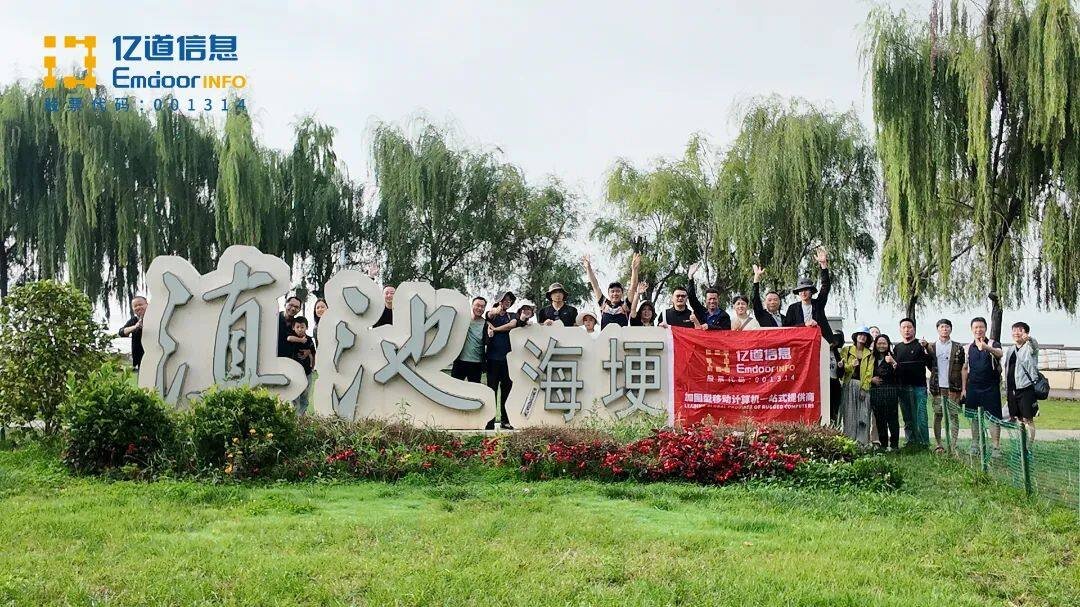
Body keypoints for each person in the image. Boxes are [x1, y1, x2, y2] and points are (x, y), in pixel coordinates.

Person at [962, 317, 1004, 456]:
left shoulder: (993, 343)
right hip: (973, 387)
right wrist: (963, 389)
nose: (978, 330)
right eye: (976, 327)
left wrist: (986, 347)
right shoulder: (968, 348)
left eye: (981, 327)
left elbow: (1000, 353)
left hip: (991, 387)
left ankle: (996, 448)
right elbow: (964, 368)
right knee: (974, 417)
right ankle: (975, 444)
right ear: (972, 329)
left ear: (985, 329)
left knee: (993, 418)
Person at [485, 291, 526, 430]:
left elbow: (512, 325)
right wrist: (497, 308)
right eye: (504, 300)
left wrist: (495, 330)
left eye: (509, 300)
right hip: (492, 358)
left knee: (507, 390)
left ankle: (505, 420)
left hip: (508, 359)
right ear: (499, 300)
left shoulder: (512, 315)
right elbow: (489, 314)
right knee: (491, 389)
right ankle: (489, 420)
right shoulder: (491, 315)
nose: (507, 302)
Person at [926, 318, 966, 454]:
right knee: (938, 415)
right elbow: (929, 365)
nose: (945, 329)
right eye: (942, 327)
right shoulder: (932, 346)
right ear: (938, 329)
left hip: (953, 387)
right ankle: (938, 444)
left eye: (947, 327)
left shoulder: (958, 347)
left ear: (951, 329)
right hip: (937, 387)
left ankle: (953, 444)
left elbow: (963, 368)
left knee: (953, 415)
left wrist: (963, 388)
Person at [893, 318, 931, 447]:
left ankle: (924, 442)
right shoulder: (897, 348)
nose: (906, 330)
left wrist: (927, 347)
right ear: (900, 330)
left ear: (914, 329)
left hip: (919, 387)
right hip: (903, 387)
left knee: (921, 416)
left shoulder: (921, 345)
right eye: (903, 327)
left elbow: (931, 362)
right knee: (907, 417)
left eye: (909, 327)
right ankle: (911, 442)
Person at [782, 248, 832, 340]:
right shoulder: (793, 308)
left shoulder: (818, 304)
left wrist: (823, 265)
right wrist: (804, 325)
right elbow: (788, 328)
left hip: (819, 339)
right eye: (801, 290)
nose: (803, 293)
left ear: (811, 291)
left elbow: (825, 286)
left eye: (806, 290)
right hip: (800, 341)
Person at [1003, 321, 1040, 445]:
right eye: (1014, 330)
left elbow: (1035, 346)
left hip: (1026, 389)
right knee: (1017, 418)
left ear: (1026, 333)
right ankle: (1020, 444)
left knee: (1028, 419)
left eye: (1020, 330)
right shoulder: (1010, 350)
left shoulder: (1029, 347)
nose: (1016, 333)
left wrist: (1029, 339)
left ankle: (1028, 447)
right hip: (1012, 390)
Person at [583, 253, 640, 328]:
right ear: (608, 294)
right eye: (612, 291)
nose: (615, 294)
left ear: (622, 293)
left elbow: (633, 287)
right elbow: (595, 286)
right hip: (604, 338)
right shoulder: (603, 303)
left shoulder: (625, 305)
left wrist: (634, 269)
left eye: (618, 291)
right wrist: (588, 268)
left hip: (621, 338)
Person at [840, 327, 874, 445]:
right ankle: (848, 442)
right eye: (860, 334)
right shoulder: (847, 350)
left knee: (863, 415)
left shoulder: (869, 354)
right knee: (849, 414)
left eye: (865, 335)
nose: (862, 337)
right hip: (849, 384)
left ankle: (862, 443)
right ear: (855, 336)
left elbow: (869, 372)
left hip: (862, 386)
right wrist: (852, 366)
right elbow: (843, 368)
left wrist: (864, 388)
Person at [869, 334, 900, 450]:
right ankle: (883, 444)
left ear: (888, 345)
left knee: (892, 419)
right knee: (879, 420)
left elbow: (899, 375)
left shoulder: (893, 357)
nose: (881, 346)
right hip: (876, 393)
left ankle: (894, 445)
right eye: (879, 343)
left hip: (890, 392)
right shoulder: (872, 358)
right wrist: (871, 380)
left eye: (884, 343)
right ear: (875, 345)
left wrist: (893, 363)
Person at [451, 296, 488, 384]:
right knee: (454, 388)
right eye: (477, 305)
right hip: (460, 361)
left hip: (476, 363)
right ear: (472, 306)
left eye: (482, 306)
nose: (480, 308)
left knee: (474, 392)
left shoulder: (486, 324)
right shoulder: (462, 320)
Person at [685, 262, 731, 330]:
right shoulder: (701, 311)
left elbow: (726, 332)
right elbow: (692, 298)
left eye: (714, 299)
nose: (712, 301)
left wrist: (710, 327)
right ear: (705, 300)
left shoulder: (724, 316)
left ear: (718, 300)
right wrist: (690, 278)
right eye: (709, 299)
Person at [285, 316, 316, 414]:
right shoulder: (292, 338)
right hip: (294, 373)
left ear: (307, 327)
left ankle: (302, 416)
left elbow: (313, 353)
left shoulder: (310, 340)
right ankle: (294, 415)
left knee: (305, 394)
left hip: (307, 371)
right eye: (297, 327)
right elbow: (289, 338)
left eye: (302, 327)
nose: (300, 329)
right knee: (294, 394)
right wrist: (301, 341)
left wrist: (312, 366)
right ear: (293, 328)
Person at [119, 295, 148, 371]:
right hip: (140, 359)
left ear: (147, 305)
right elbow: (122, 332)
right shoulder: (134, 320)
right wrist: (135, 327)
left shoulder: (157, 318)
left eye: (140, 304)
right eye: (135, 306)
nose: (138, 307)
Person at [829, 330, 845, 424]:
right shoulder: (821, 351)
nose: (834, 343)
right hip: (826, 384)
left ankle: (835, 428)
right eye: (833, 340)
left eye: (837, 341)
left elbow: (841, 374)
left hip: (835, 383)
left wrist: (840, 367)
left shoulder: (837, 354)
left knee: (836, 409)